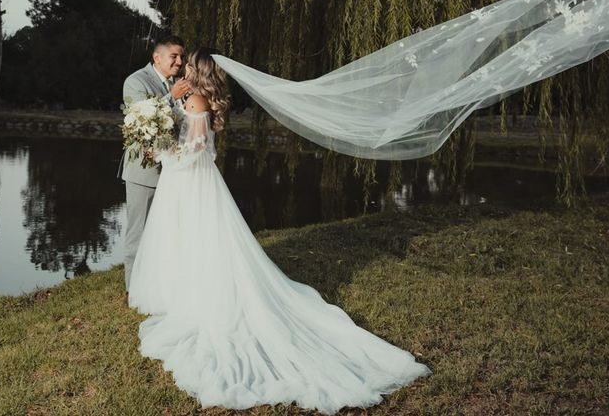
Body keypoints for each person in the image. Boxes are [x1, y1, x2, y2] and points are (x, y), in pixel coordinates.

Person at [127, 47, 431, 414]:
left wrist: (163, 152)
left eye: (188, 64)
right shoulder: (194, 97)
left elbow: (196, 150)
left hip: (190, 182)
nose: (183, 69)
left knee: (196, 240)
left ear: (197, 71)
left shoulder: (196, 101)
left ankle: (197, 295)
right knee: (196, 241)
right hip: (193, 182)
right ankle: (185, 289)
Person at [116, 35, 191, 295]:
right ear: (157, 57)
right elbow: (142, 121)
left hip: (174, 171)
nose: (179, 62)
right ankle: (133, 290)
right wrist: (172, 97)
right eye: (174, 56)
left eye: (182, 57)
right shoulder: (136, 81)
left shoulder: (178, 83)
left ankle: (159, 286)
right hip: (145, 172)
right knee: (138, 234)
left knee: (167, 233)